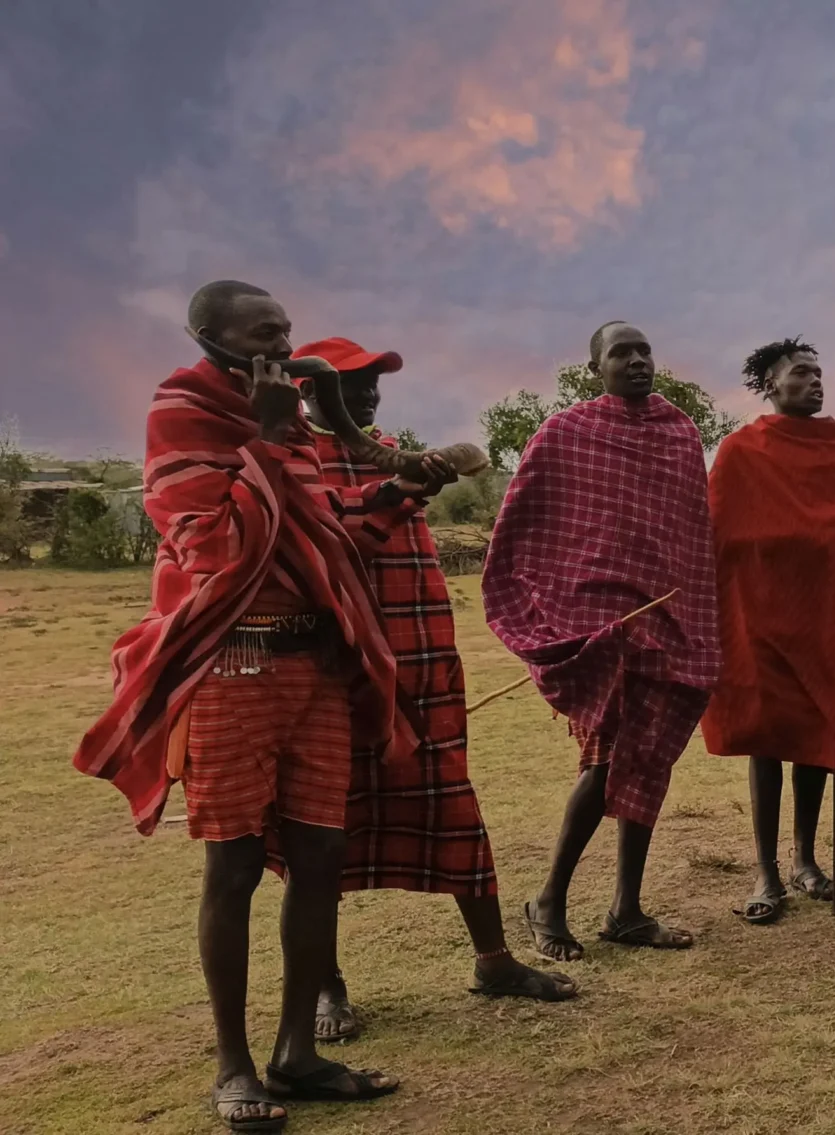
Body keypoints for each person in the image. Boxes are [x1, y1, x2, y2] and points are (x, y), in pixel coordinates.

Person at [76, 281, 421, 1129]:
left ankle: (297, 1051)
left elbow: (319, 533)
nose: (287, 348)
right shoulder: (183, 416)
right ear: (213, 341)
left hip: (315, 669)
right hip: (234, 670)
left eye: (288, 332)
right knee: (232, 867)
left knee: (320, 858)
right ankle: (235, 1068)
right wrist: (265, 437)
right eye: (266, 334)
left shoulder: (290, 425)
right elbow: (220, 549)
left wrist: (393, 495)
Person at [290, 336, 575, 1043]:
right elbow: (327, 528)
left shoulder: (390, 450)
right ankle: (325, 983)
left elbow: (471, 456)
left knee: (455, 808)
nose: (366, 396)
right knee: (321, 832)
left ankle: (495, 960)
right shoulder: (292, 461)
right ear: (308, 393)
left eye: (371, 384)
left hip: (419, 671)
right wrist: (399, 482)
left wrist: (431, 466)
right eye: (349, 385)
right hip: (336, 681)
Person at [488, 320, 719, 960]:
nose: (638, 361)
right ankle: (549, 900)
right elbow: (531, 525)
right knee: (604, 762)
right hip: (601, 628)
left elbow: (689, 530)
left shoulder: (680, 433)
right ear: (596, 369)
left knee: (648, 761)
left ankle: (626, 909)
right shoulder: (566, 435)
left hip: (666, 617)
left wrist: (689, 604)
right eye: (622, 353)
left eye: (645, 350)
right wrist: (570, 613)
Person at [703, 338, 835, 924]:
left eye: (820, 372)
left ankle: (805, 859)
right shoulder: (741, 450)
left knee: (817, 737)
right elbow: (722, 535)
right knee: (768, 739)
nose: (816, 381)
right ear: (770, 385)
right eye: (801, 373)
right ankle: (766, 870)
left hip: (824, 614)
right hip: (763, 615)